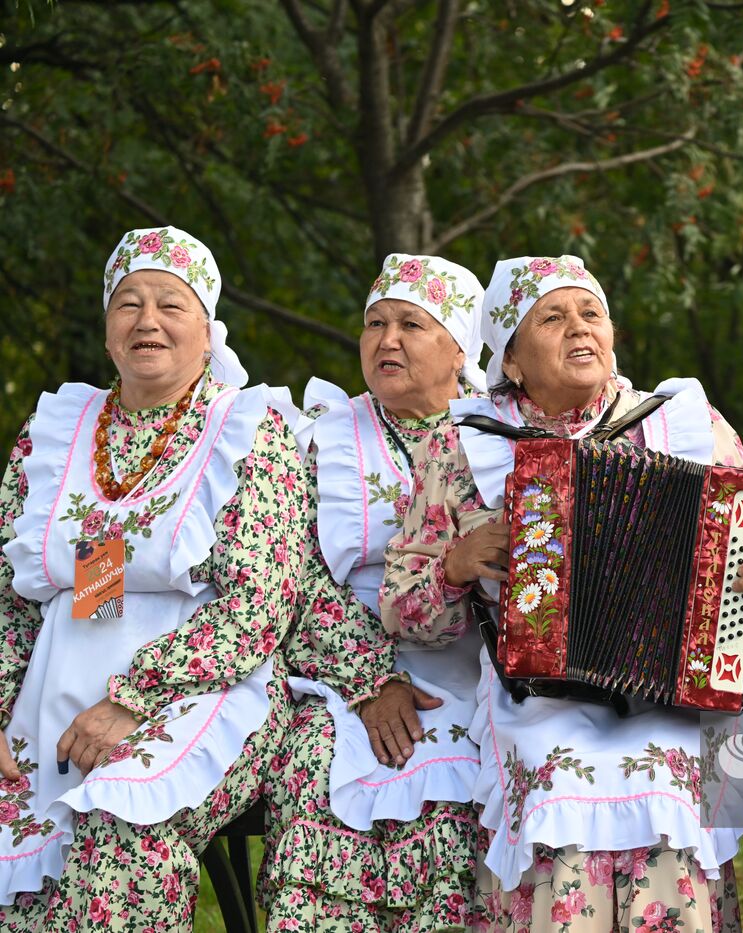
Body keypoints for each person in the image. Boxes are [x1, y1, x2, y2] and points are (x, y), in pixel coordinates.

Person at [381, 254, 743, 931]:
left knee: (666, 787)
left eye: (591, 312)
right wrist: (453, 567)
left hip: (674, 696)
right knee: (556, 780)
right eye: (553, 316)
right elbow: (402, 607)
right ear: (510, 359)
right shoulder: (465, 444)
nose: (580, 327)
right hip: (536, 701)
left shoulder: (688, 424)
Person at [0, 226, 306, 931]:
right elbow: (14, 593)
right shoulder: (58, 429)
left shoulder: (246, 429)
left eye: (171, 303)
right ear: (107, 330)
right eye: (128, 303)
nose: (147, 320)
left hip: (204, 690)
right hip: (56, 681)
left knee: (122, 828)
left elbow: (260, 604)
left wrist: (132, 700)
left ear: (207, 330)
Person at [260, 253, 490, 930]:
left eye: (411, 324)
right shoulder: (318, 438)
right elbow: (293, 574)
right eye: (375, 322)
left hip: (471, 667)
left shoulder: (493, 437)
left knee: (459, 775)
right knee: (314, 760)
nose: (386, 339)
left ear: (458, 349)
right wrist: (370, 680)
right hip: (342, 671)